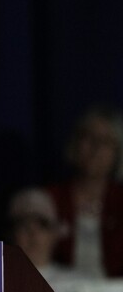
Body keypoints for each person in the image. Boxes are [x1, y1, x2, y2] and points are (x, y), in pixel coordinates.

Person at [46, 104, 123, 278]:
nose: (96, 148)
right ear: (75, 143)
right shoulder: (51, 198)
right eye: (89, 137)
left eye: (105, 141)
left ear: (117, 152)